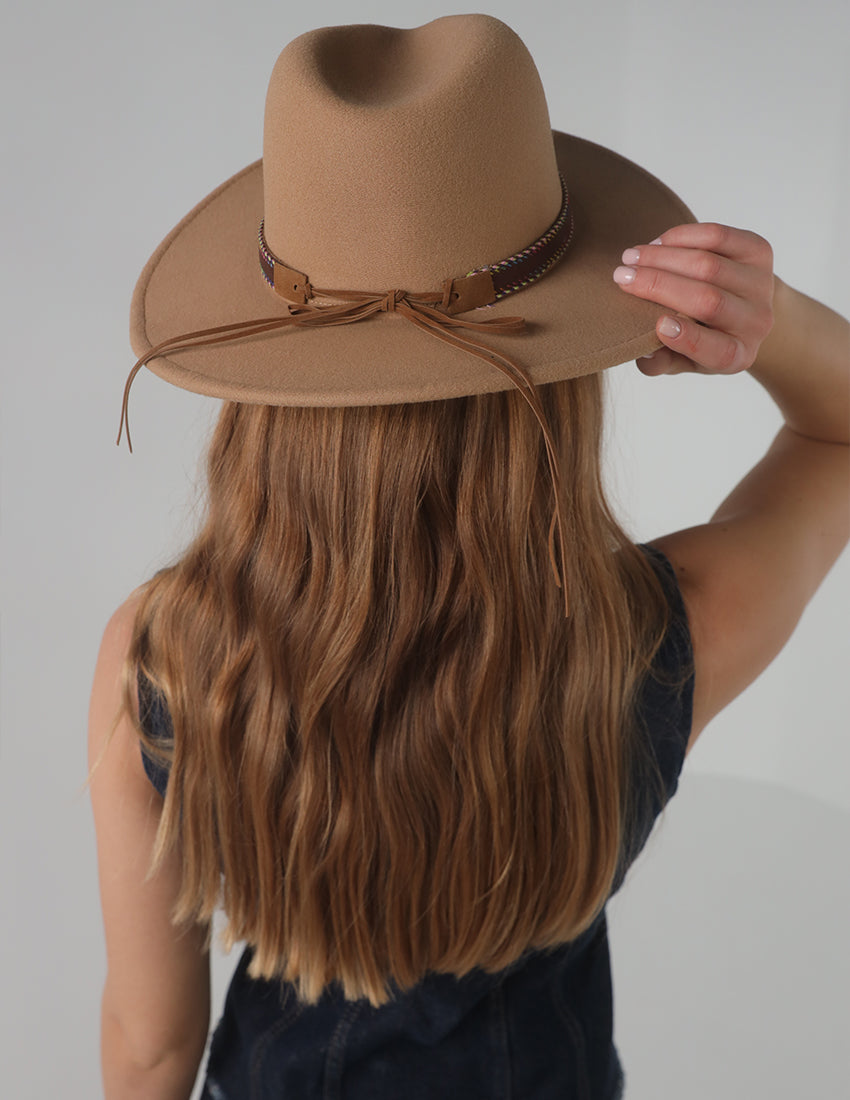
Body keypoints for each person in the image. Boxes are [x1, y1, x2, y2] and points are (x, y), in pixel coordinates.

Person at [87, 15, 849, 1100]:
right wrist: (762, 324)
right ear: (566, 366)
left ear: (271, 383)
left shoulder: (163, 652)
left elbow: (152, 1040)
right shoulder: (658, 635)